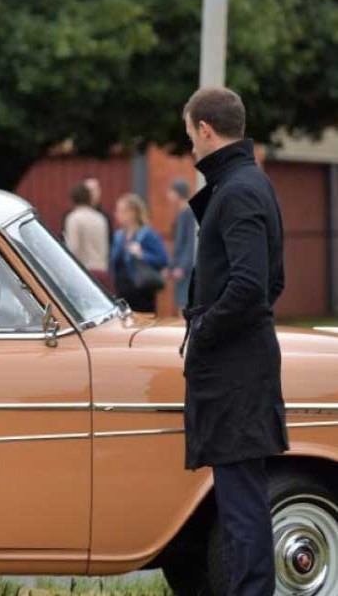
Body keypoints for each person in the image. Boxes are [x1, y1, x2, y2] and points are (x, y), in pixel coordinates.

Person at [182, 86, 288, 596]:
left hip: (235, 374)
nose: (190, 149)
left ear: (206, 129)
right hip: (241, 368)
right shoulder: (251, 184)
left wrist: (203, 329)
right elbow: (273, 282)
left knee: (242, 506)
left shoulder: (240, 189)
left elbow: (250, 287)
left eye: (189, 136)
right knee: (241, 501)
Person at [110, 194, 168, 313]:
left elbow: (162, 259)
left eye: (121, 211)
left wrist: (142, 254)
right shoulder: (119, 236)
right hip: (122, 292)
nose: (117, 214)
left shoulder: (148, 235)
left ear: (132, 213)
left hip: (143, 291)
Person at [63, 183, 110, 289]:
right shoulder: (100, 218)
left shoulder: (74, 218)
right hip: (102, 270)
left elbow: (73, 248)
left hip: (84, 272)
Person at [165, 178, 196, 311]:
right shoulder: (182, 213)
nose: (168, 195)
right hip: (180, 269)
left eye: (171, 191)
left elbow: (190, 243)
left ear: (178, 193)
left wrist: (182, 267)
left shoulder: (188, 213)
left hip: (186, 271)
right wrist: (171, 266)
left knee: (184, 308)